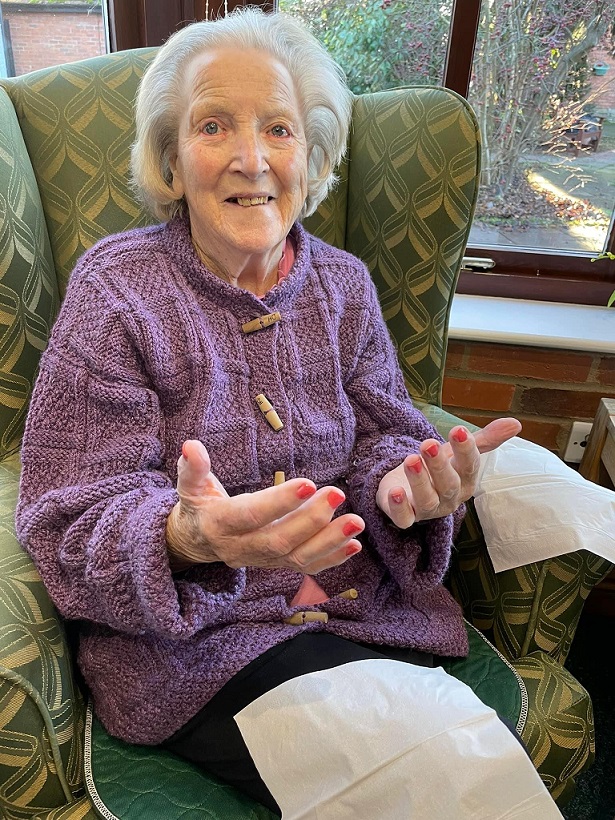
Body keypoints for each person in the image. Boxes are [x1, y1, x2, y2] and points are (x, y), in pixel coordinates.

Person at [15, 8, 560, 818]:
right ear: (170, 160)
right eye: (212, 126)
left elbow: (384, 431)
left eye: (278, 128)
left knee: (444, 769)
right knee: (443, 776)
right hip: (201, 647)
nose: (251, 158)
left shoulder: (344, 285)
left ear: (312, 156)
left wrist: (402, 487)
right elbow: (65, 513)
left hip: (365, 612)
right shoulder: (116, 292)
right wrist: (188, 537)